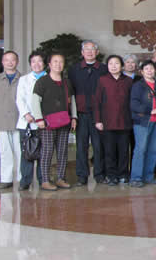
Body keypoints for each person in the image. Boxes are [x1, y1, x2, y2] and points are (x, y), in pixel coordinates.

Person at [31, 53, 77, 191]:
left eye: (61, 62)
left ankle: (61, 178)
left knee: (62, 151)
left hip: (64, 122)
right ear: (49, 64)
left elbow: (72, 100)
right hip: (47, 123)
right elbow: (35, 101)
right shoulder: (42, 82)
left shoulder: (67, 82)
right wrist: (39, 119)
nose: (58, 64)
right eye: (55, 61)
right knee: (47, 151)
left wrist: (74, 117)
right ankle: (45, 180)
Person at [68, 40, 108, 185]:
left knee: (99, 146)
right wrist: (72, 115)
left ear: (97, 52)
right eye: (87, 49)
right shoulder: (74, 69)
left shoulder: (104, 69)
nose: (90, 52)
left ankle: (99, 174)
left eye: (92, 49)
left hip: (99, 115)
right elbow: (71, 93)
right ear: (82, 52)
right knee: (81, 146)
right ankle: (82, 176)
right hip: (81, 113)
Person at [93, 55, 133, 185]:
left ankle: (123, 174)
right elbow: (97, 101)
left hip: (124, 122)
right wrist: (98, 120)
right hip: (107, 122)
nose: (114, 66)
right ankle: (111, 175)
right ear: (107, 66)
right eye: (111, 64)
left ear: (122, 66)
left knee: (124, 151)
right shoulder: (102, 80)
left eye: (116, 63)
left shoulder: (128, 81)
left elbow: (132, 101)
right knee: (109, 151)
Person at [0, 50, 22, 189]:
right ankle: (6, 179)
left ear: (17, 62)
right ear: (2, 62)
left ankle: (21, 178)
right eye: (7, 60)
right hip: (1, 120)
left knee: (20, 151)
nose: (10, 62)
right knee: (5, 151)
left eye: (12, 59)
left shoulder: (23, 79)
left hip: (19, 120)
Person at [129, 60, 156, 187]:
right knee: (140, 149)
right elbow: (134, 104)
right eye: (146, 69)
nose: (149, 71)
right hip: (142, 122)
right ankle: (136, 178)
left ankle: (148, 176)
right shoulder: (138, 86)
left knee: (153, 150)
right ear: (142, 72)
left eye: (151, 68)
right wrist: (150, 110)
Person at [16, 51, 46, 191]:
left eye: (39, 61)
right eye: (33, 61)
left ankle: (42, 179)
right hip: (26, 123)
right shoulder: (24, 80)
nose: (36, 64)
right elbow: (19, 99)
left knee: (43, 153)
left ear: (44, 63)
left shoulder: (49, 78)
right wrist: (26, 114)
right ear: (30, 64)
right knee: (27, 153)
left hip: (43, 123)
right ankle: (25, 181)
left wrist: (42, 117)